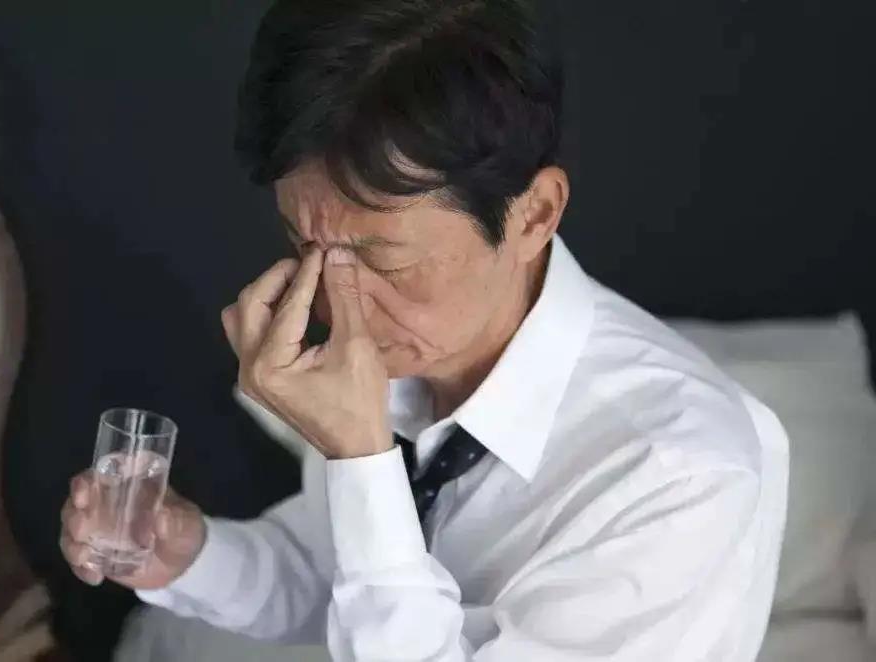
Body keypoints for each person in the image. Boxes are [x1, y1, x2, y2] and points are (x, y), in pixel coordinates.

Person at [60, 0, 789, 659]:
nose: (334, 303)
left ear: (533, 215)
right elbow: (342, 580)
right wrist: (188, 554)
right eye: (302, 243)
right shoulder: (399, 364)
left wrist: (361, 458)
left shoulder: (680, 474)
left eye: (385, 261)